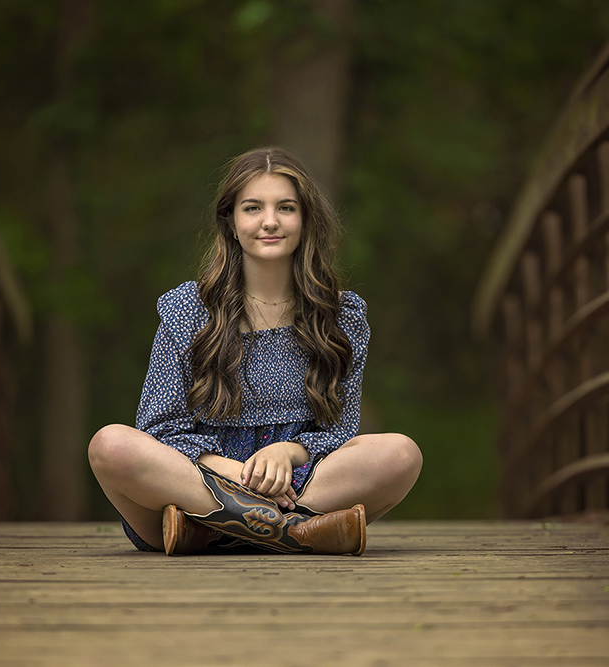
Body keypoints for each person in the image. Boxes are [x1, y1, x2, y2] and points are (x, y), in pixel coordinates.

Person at [87, 146, 422, 555]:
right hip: (192, 484)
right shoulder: (187, 309)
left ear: (305, 219)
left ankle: (216, 533)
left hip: (298, 483)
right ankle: (293, 532)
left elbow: (339, 430)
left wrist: (286, 453)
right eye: (252, 208)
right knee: (110, 445)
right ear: (230, 221)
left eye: (285, 207)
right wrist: (239, 475)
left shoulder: (342, 317)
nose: (269, 221)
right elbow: (158, 429)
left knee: (401, 453)